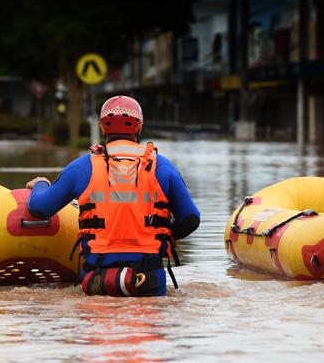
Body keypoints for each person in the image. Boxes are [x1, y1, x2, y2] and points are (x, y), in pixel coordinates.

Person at [26, 95, 200, 297]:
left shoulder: (82, 167)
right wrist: (164, 235)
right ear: (139, 127)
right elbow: (190, 219)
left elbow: (39, 208)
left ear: (102, 127)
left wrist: (40, 183)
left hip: (98, 279)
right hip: (148, 279)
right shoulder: (162, 167)